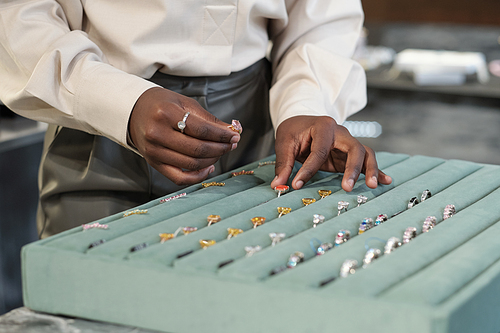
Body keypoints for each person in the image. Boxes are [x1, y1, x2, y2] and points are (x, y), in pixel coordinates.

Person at [0, 0, 391, 238]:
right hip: (96, 128)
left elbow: (320, 16)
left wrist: (305, 103)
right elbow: (18, 15)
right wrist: (121, 103)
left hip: (260, 139)